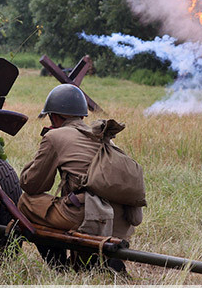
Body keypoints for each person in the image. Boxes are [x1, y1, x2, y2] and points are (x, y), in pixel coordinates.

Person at [18, 84, 143, 272]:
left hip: (91, 215)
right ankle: (93, 263)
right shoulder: (100, 137)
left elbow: (32, 185)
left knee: (26, 202)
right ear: (83, 116)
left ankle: (58, 265)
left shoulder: (55, 136)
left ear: (55, 116)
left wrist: (44, 144)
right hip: (120, 220)